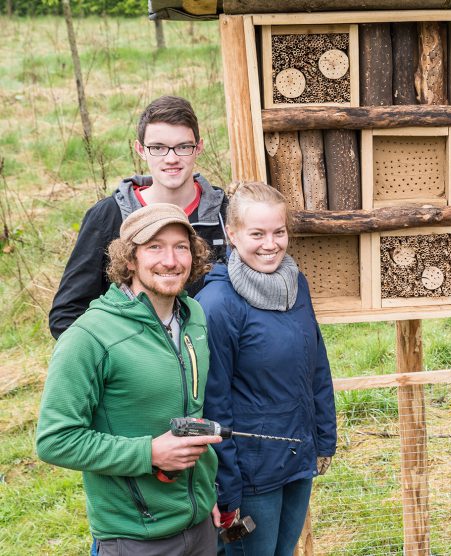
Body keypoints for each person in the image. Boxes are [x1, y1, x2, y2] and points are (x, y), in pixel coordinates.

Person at [36, 203, 222, 555]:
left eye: (181, 246)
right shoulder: (90, 337)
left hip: (199, 524)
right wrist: (148, 453)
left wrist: (204, 493)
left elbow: (193, 409)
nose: (171, 260)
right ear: (130, 260)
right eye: (154, 247)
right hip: (136, 535)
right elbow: (54, 440)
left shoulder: (193, 315)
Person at [196, 181, 337, 556]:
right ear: (232, 233)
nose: (270, 244)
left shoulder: (296, 284)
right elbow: (213, 403)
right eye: (257, 233)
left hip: (297, 458)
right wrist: (226, 487)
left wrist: (323, 440)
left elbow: (316, 367)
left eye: (279, 232)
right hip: (251, 475)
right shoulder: (217, 304)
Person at [49, 95, 228, 339]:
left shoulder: (225, 214)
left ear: (199, 147)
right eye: (158, 148)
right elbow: (67, 314)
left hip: (213, 366)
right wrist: (121, 361)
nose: (171, 158)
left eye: (183, 147)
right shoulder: (109, 216)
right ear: (140, 150)